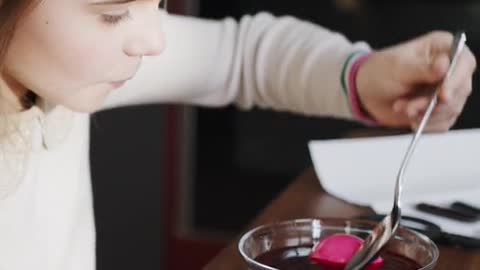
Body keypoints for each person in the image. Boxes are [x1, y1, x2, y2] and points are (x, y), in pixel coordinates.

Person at [0, 0, 476, 269]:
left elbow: (239, 55)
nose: (154, 41)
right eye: (114, 13)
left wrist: (364, 78)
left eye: (158, 3)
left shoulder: (53, 65)